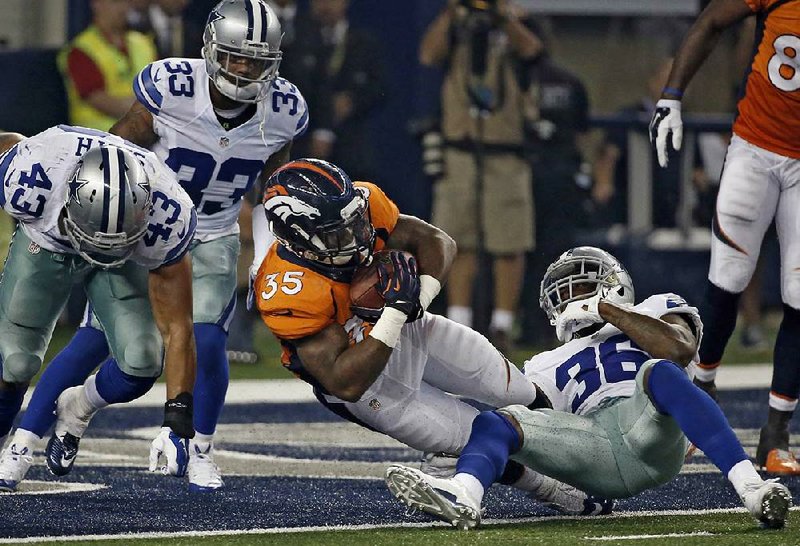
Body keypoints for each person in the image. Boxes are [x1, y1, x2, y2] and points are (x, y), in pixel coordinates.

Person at [1, 0, 306, 492]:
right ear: (211, 48)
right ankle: (24, 441)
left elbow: (275, 189)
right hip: (146, 228)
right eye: (236, 55)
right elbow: (115, 156)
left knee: (207, 341)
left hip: (211, 233)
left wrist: (268, 252)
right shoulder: (172, 89)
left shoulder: (284, 111)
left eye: (257, 59)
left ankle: (198, 447)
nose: (246, 68)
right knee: (96, 341)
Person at [252, 158, 611, 516]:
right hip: (371, 384)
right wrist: (393, 311)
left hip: (411, 330)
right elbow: (347, 383)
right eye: (337, 232)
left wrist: (417, 300)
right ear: (298, 237)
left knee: (518, 392)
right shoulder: (288, 290)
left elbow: (437, 240)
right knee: (479, 435)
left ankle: (591, 448)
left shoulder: (364, 203)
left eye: (356, 221)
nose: (358, 236)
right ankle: (547, 488)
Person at [385, 246, 792, 530]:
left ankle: (751, 489)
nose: (574, 300)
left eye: (583, 288)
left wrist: (608, 311)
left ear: (615, 285)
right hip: (594, 445)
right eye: (566, 294)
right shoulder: (545, 362)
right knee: (498, 422)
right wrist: (467, 451)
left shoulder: (655, 308)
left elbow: (679, 350)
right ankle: (464, 495)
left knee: (660, 372)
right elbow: (539, 424)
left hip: (648, 427)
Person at [0, 125, 197, 492]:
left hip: (122, 262)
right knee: (16, 361)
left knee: (141, 360)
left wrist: (176, 419)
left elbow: (178, 327)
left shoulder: (168, 214)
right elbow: (8, 144)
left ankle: (77, 407)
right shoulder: (34, 173)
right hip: (48, 244)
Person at [649, 0, 800, 474]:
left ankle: (776, 434)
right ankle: (704, 388)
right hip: (755, 147)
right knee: (727, 279)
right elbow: (713, 19)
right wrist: (672, 94)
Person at [419, 0, 542, 351]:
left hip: (506, 150)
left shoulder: (518, 19)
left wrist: (502, 16)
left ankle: (502, 325)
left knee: (509, 241)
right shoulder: (455, 21)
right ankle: (459, 325)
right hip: (459, 148)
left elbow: (534, 52)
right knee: (459, 239)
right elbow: (428, 55)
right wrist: (451, 12)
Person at [516, 26, 592, 346]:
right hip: (560, 176)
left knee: (524, 254)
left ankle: (528, 325)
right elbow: (582, 135)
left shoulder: (510, 81)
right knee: (556, 255)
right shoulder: (569, 80)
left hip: (524, 174)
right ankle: (554, 324)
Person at [59, 0, 159, 131]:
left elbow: (162, 89)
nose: (123, 8)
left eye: (126, 2)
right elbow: (103, 102)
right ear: (97, 4)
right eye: (115, 2)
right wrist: (152, 108)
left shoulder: (143, 43)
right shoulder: (81, 50)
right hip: (98, 140)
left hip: (145, 136)